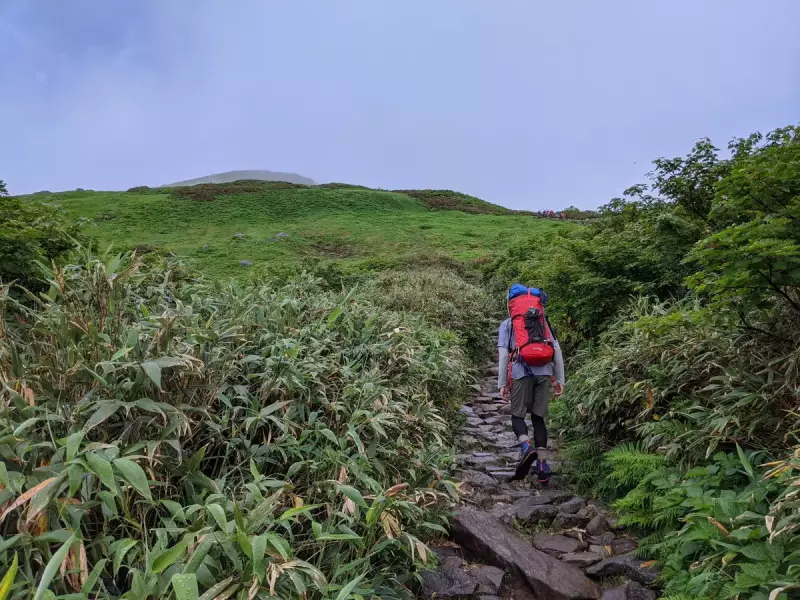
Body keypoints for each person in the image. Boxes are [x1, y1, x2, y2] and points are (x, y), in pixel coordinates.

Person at [497, 286, 565, 483]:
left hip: (521, 373)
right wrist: (559, 380)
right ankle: (542, 465)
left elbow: (503, 355)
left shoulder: (509, 324)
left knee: (517, 415)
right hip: (544, 373)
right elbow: (557, 352)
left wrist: (502, 383)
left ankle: (526, 447)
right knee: (538, 418)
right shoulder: (543, 322)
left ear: (511, 304)